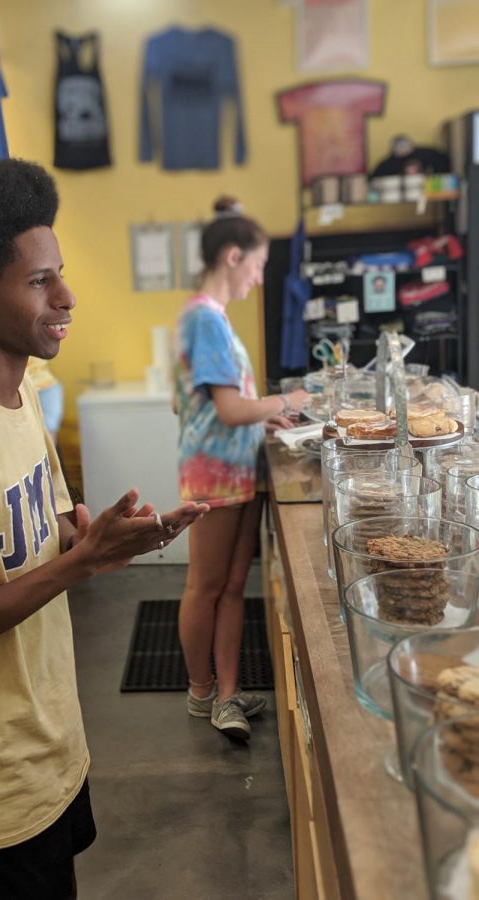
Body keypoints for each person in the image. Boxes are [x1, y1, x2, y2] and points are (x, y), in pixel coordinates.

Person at [0, 158, 208, 899]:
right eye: (37, 282)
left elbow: (58, 534)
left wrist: (113, 538)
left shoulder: (20, 399)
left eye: (59, 273)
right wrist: (82, 563)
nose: (66, 297)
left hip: (42, 757)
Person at [172, 196, 310, 741]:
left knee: (232, 587)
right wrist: (285, 401)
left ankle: (227, 695)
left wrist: (263, 423)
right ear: (233, 257)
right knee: (205, 587)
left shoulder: (212, 319)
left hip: (234, 469)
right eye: (256, 265)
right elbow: (229, 410)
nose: (258, 277)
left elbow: (217, 405)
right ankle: (201, 692)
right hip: (214, 478)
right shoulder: (205, 319)